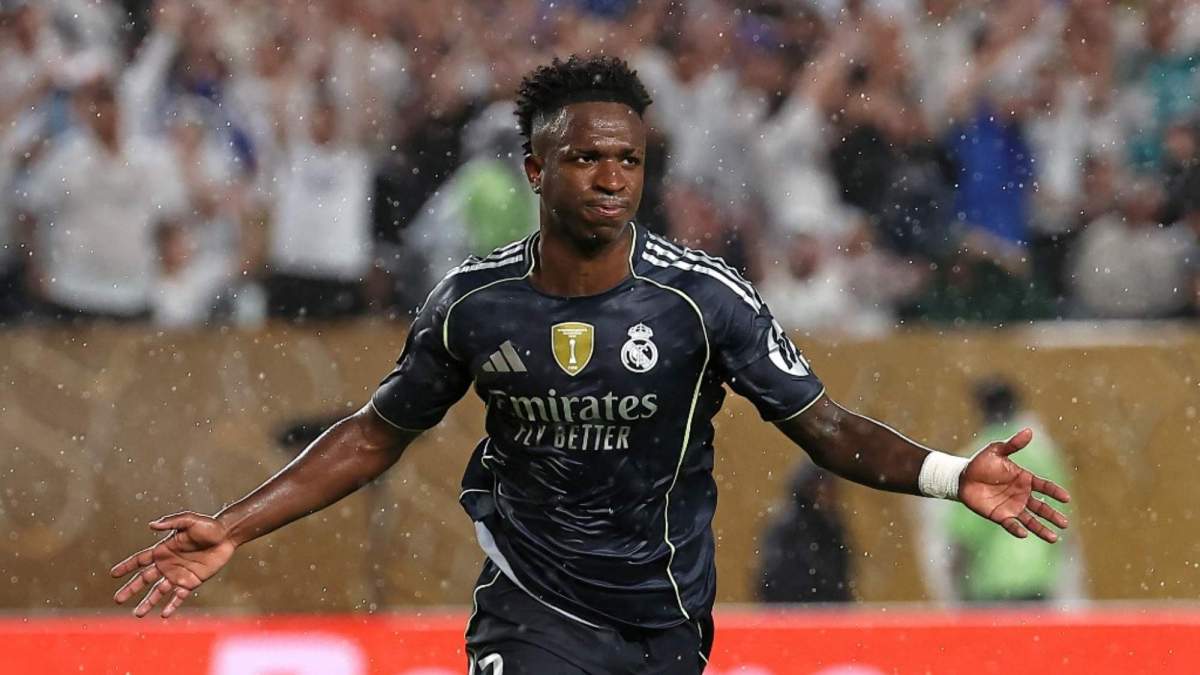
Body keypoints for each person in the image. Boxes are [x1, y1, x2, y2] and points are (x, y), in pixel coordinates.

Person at [109, 55, 1070, 675]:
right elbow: (374, 434)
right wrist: (235, 526)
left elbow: (823, 426)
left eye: (629, 160)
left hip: (665, 622)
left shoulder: (704, 297)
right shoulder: (474, 303)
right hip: (530, 610)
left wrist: (949, 473)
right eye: (585, 159)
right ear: (534, 168)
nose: (611, 177)